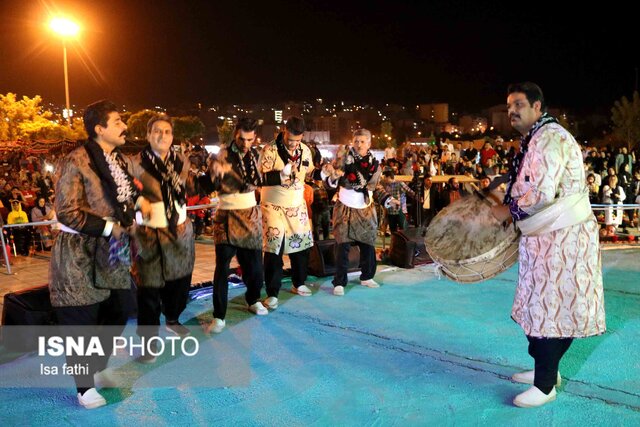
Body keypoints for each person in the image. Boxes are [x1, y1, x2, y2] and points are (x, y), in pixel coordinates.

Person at [492, 82, 605, 408]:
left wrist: (505, 210)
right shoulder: (538, 137)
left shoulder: (549, 139)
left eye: (519, 105)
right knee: (539, 307)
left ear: (538, 108)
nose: (512, 110)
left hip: (562, 238)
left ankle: (545, 385)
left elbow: (540, 193)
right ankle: (546, 369)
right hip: (547, 238)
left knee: (549, 309)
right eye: (509, 104)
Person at [49, 100, 151, 409]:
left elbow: (127, 197)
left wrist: (139, 214)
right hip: (79, 252)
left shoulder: (117, 160)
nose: (124, 126)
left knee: (120, 309)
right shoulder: (75, 162)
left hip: (114, 250)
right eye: (118, 121)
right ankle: (83, 388)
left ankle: (96, 364)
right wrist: (109, 229)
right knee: (81, 320)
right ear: (99, 129)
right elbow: (66, 212)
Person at [130, 114, 195, 361]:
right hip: (149, 233)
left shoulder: (181, 161)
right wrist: (138, 201)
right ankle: (148, 343)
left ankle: (173, 317)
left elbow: (187, 188)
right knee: (149, 291)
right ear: (148, 135)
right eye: (157, 131)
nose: (163, 136)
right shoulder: (135, 164)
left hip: (179, 230)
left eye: (167, 132)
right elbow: (123, 193)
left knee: (180, 282)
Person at [199, 118, 267, 334]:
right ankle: (219, 315)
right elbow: (209, 183)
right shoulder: (220, 155)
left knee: (255, 267)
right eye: (241, 138)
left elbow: (260, 179)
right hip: (226, 216)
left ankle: (253, 299)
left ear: (254, 136)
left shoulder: (256, 155)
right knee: (222, 269)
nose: (246, 143)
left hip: (250, 214)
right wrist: (214, 176)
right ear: (235, 134)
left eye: (250, 139)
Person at [325, 129, 398, 296]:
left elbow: (375, 187)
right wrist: (333, 176)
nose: (358, 144)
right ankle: (339, 282)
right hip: (345, 208)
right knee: (342, 246)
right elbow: (329, 182)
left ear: (369, 144)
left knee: (368, 245)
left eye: (362, 141)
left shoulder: (374, 165)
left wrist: (388, 199)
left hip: (365, 209)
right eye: (356, 141)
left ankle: (367, 276)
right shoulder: (343, 159)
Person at [259, 117, 314, 309]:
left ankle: (298, 283)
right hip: (273, 205)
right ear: (284, 131)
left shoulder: (305, 150)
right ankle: (272, 292)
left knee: (301, 247)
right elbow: (260, 178)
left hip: (296, 205)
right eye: (290, 139)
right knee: (274, 248)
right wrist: (281, 174)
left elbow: (309, 172)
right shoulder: (270, 149)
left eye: (297, 140)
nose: (293, 144)